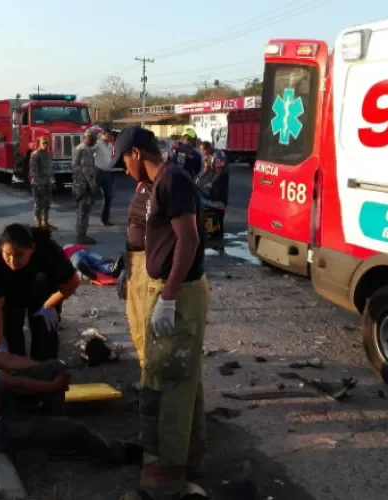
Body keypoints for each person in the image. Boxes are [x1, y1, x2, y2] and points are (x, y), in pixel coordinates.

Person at [0, 281, 143, 463]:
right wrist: (51, 386)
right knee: (74, 429)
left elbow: (3, 359)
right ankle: (116, 453)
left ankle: (59, 440)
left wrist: (44, 369)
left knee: (53, 367)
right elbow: (11, 383)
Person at [110, 126, 210, 500]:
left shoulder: (172, 180)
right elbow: (153, 236)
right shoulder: (156, 183)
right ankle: (188, 458)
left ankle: (163, 480)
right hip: (170, 288)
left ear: (135, 153)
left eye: (123, 160)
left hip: (179, 292)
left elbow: (189, 238)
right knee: (181, 380)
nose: (123, 169)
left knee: (166, 382)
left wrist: (168, 296)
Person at [0, 223, 81, 360]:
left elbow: (72, 282)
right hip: (10, 292)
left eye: (19, 255)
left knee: (44, 334)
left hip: (42, 288)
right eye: (7, 254)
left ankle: (45, 370)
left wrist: (50, 304)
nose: (12, 261)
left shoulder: (49, 250)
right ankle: (18, 370)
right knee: (11, 331)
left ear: (32, 249)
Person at [117, 176, 154, 382]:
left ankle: (151, 383)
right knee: (137, 327)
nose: (125, 169)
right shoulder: (142, 188)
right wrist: (125, 269)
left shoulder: (160, 188)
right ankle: (146, 377)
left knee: (148, 332)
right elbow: (133, 228)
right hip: (135, 264)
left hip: (148, 266)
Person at [197, 141, 230, 252]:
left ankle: (219, 241)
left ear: (208, 148)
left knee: (219, 214)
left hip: (220, 191)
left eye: (203, 150)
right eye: (201, 150)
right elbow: (206, 169)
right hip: (212, 192)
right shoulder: (208, 156)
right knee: (211, 214)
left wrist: (211, 184)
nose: (202, 152)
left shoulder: (218, 156)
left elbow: (219, 172)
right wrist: (199, 179)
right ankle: (212, 238)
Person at [72, 128, 101, 245]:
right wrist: (93, 186)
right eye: (94, 140)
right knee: (84, 212)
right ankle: (81, 237)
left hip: (77, 185)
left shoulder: (77, 148)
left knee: (80, 211)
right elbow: (87, 170)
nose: (95, 142)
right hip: (84, 186)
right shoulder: (86, 150)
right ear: (89, 139)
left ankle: (81, 235)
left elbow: (76, 167)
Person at [94, 128, 119, 226]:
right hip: (98, 172)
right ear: (103, 134)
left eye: (111, 134)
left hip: (108, 173)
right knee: (91, 197)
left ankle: (105, 219)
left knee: (108, 197)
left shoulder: (110, 145)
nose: (111, 136)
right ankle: (84, 219)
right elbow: (90, 154)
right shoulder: (97, 144)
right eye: (109, 134)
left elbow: (111, 157)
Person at [30, 136, 55, 230]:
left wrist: (52, 180)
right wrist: (37, 182)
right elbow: (33, 171)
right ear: (39, 144)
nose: (45, 145)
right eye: (43, 143)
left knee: (47, 203)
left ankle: (45, 222)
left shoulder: (48, 154)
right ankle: (39, 224)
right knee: (38, 204)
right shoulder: (35, 154)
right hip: (38, 183)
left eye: (46, 143)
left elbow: (50, 168)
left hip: (47, 182)